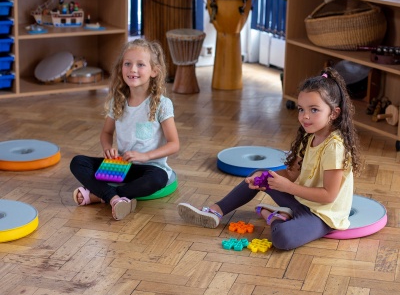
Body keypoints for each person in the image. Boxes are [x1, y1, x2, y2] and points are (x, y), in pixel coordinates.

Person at [178, 67, 361, 250]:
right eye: (301, 109)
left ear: (334, 113)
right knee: (261, 174)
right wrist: (264, 179)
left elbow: (329, 196)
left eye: (314, 110)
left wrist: (288, 187)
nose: (305, 116)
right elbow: (291, 174)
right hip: (303, 203)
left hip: (323, 215)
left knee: (282, 238)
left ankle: (274, 216)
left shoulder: (335, 147)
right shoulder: (309, 137)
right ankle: (215, 211)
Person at [70, 39, 180, 220]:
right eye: (127, 64)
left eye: (140, 64)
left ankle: (99, 195)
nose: (132, 69)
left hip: (150, 169)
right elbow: (106, 133)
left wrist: (145, 156)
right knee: (78, 162)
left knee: (158, 179)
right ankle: (114, 197)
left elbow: (174, 144)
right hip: (121, 167)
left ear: (154, 71)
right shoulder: (117, 101)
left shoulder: (162, 104)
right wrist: (108, 148)